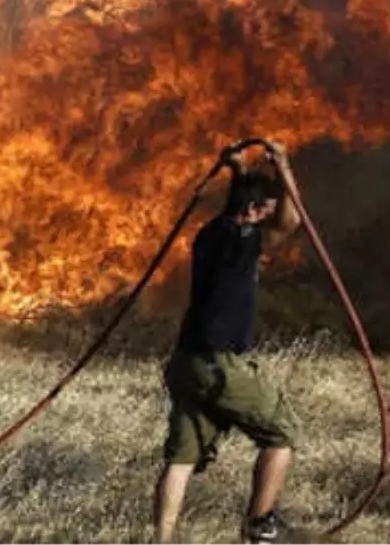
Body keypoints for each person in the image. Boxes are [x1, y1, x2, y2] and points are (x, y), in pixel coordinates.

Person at [153, 141, 303, 544]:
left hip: (187, 362)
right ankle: (259, 525)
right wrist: (284, 169)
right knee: (282, 434)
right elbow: (291, 223)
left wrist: (239, 170)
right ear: (253, 212)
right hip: (221, 365)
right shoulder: (241, 239)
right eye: (264, 212)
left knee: (180, 459)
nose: (269, 221)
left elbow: (243, 206)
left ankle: (161, 540)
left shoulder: (210, 233)